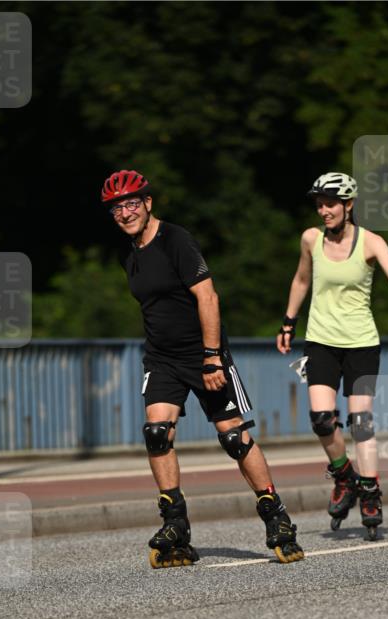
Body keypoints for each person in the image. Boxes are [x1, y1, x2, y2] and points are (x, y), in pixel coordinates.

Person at [102, 169, 304, 567]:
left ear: (147, 202)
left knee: (233, 438)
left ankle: (276, 516)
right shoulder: (128, 251)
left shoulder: (176, 240)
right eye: (116, 208)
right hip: (161, 357)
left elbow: (208, 297)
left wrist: (212, 356)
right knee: (157, 432)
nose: (125, 213)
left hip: (203, 355)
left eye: (131, 203)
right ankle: (175, 524)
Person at [277, 171, 388, 540]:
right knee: (322, 420)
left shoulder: (371, 242)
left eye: (330, 204)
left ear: (348, 205)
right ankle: (344, 475)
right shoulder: (311, 238)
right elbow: (301, 281)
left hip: (361, 342)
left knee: (360, 423)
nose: (323, 210)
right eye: (319, 204)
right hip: (321, 341)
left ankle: (370, 491)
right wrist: (288, 324)